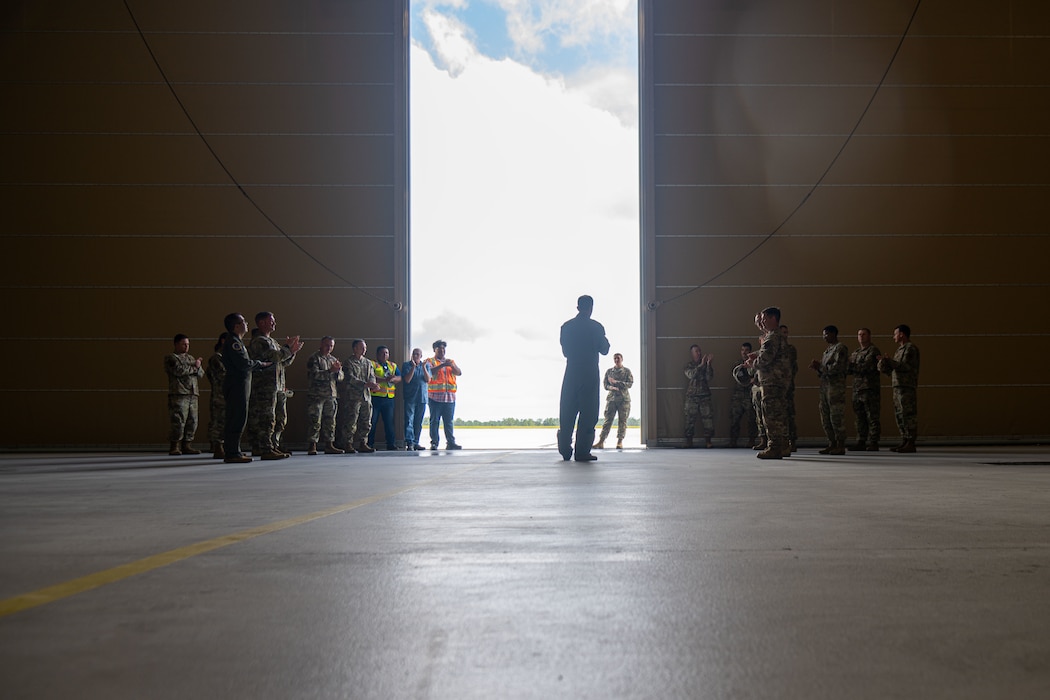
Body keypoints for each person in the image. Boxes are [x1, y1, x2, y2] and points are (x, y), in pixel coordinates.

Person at [558, 295, 611, 462]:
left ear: (578, 307)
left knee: (567, 410)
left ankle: (565, 450)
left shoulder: (566, 327)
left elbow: (565, 352)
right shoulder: (596, 327)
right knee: (588, 412)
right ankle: (581, 452)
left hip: (571, 371)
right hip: (589, 373)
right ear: (591, 308)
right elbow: (605, 349)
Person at [248, 312, 301, 458]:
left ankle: (273, 445)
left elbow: (284, 362)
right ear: (262, 323)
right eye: (271, 321)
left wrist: (292, 351)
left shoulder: (272, 341)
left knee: (279, 418)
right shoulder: (259, 341)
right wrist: (287, 348)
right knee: (266, 418)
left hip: (277, 385)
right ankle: (264, 448)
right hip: (264, 387)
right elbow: (276, 356)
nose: (274, 324)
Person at [221, 313, 272, 463]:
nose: (247, 324)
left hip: (240, 384)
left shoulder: (237, 341)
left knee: (238, 417)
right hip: (237, 385)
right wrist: (260, 364)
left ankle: (233, 450)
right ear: (237, 326)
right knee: (236, 418)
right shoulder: (234, 342)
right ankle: (232, 453)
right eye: (243, 321)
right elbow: (243, 364)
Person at [745, 307, 792, 460]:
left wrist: (752, 363)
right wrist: (757, 355)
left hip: (772, 382)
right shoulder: (777, 336)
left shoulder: (772, 337)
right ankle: (783, 445)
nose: (762, 322)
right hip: (778, 381)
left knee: (771, 415)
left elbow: (765, 359)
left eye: (765, 319)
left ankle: (774, 447)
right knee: (779, 414)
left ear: (773, 319)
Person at [878, 324, 921, 453]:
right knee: (900, 415)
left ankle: (911, 442)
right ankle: (904, 440)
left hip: (906, 387)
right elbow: (893, 369)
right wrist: (884, 363)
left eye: (895, 334)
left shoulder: (910, 348)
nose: (894, 337)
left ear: (901, 334)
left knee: (908, 414)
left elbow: (905, 366)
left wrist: (890, 361)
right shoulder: (899, 350)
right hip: (898, 386)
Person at [809, 325, 849, 455]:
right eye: (823, 335)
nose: (824, 337)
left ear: (833, 334)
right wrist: (818, 368)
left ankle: (840, 445)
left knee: (836, 417)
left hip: (836, 389)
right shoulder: (827, 351)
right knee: (825, 417)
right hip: (825, 388)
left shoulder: (840, 348)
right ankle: (832, 443)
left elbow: (837, 368)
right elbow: (824, 370)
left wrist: (820, 366)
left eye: (826, 334)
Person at [164, 334, 205, 455]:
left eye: (188, 344)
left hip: (193, 394)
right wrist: (195, 367)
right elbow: (179, 370)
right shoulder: (171, 358)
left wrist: (196, 367)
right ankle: (175, 445)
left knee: (193, 421)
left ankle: (187, 445)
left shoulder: (191, 358)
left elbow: (201, 373)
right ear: (176, 344)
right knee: (178, 420)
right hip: (179, 394)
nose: (186, 346)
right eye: (183, 344)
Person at [338, 339, 380, 453]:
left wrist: (373, 384)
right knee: (351, 420)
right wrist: (365, 384)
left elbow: (372, 376)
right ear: (355, 348)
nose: (364, 350)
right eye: (362, 347)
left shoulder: (368, 362)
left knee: (366, 421)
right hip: (353, 397)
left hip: (366, 396)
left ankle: (363, 443)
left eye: (365, 348)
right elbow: (349, 378)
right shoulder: (349, 362)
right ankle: (348, 443)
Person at [305, 336, 344, 456]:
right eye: (327, 345)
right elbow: (314, 375)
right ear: (321, 344)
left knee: (330, 421)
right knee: (315, 421)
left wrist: (337, 372)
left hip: (331, 395)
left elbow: (341, 377)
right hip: (317, 395)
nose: (329, 348)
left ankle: (329, 444)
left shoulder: (333, 359)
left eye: (331, 346)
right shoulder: (314, 358)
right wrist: (330, 371)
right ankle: (312, 445)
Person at [847, 328, 882, 451]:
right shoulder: (856, 352)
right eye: (859, 334)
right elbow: (849, 369)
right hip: (857, 389)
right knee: (859, 417)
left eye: (864, 334)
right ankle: (861, 440)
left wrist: (851, 365)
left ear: (869, 336)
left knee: (872, 416)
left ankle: (873, 442)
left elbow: (866, 367)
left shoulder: (873, 351)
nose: (861, 336)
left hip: (869, 389)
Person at [427, 340, 463, 450]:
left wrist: (451, 366)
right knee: (434, 421)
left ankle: (451, 442)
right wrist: (442, 365)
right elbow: (430, 372)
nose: (442, 351)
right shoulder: (430, 361)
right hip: (435, 397)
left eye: (443, 348)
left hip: (449, 398)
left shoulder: (450, 361)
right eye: (439, 349)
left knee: (449, 422)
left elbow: (459, 372)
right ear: (434, 350)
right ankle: (434, 443)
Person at [593, 353, 633, 450]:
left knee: (622, 421)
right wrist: (611, 387)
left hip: (623, 399)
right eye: (615, 358)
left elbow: (630, 384)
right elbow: (605, 385)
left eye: (618, 358)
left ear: (622, 359)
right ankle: (601, 441)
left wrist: (616, 382)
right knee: (607, 421)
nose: (616, 360)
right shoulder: (609, 371)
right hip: (612, 399)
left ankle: (620, 442)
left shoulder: (627, 371)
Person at [368, 345, 402, 450]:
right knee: (372, 422)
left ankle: (391, 444)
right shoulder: (372, 364)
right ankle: (369, 444)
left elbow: (400, 377)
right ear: (377, 354)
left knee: (389, 423)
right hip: (375, 398)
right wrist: (384, 379)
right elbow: (370, 376)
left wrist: (393, 379)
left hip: (389, 398)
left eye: (386, 353)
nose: (384, 355)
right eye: (382, 353)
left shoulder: (392, 365)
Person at [682, 344, 714, 448]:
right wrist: (700, 365)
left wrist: (708, 365)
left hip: (704, 396)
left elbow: (709, 377)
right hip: (692, 397)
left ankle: (708, 441)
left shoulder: (705, 364)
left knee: (708, 419)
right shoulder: (689, 365)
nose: (699, 353)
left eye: (699, 351)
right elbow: (691, 375)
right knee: (689, 419)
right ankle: (689, 441)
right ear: (691, 353)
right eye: (696, 351)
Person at [401, 347, 431, 451]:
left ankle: (416, 442)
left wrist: (423, 367)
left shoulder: (426, 365)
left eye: (418, 354)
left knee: (418, 422)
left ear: (421, 356)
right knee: (409, 420)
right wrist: (413, 367)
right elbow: (407, 379)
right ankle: (410, 443)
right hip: (410, 397)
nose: (415, 356)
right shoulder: (406, 365)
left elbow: (428, 379)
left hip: (422, 397)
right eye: (414, 354)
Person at [729, 342, 758, 448]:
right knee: (734, 419)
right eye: (742, 350)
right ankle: (733, 440)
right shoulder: (738, 364)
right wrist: (748, 380)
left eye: (746, 350)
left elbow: (756, 377)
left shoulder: (755, 364)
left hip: (750, 395)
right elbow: (739, 377)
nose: (744, 353)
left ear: (750, 352)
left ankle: (752, 440)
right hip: (738, 396)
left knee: (752, 419)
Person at [204, 333, 228, 459]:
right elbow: (223, 376)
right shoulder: (217, 358)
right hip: (220, 395)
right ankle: (217, 447)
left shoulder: (227, 357)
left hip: (228, 395)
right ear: (223, 341)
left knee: (227, 421)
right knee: (218, 421)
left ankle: (226, 447)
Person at [780, 324, 799, 452]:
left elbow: (791, 367)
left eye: (786, 332)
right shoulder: (774, 347)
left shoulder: (790, 349)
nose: (784, 335)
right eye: (782, 332)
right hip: (777, 387)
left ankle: (792, 441)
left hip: (787, 387)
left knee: (789, 414)